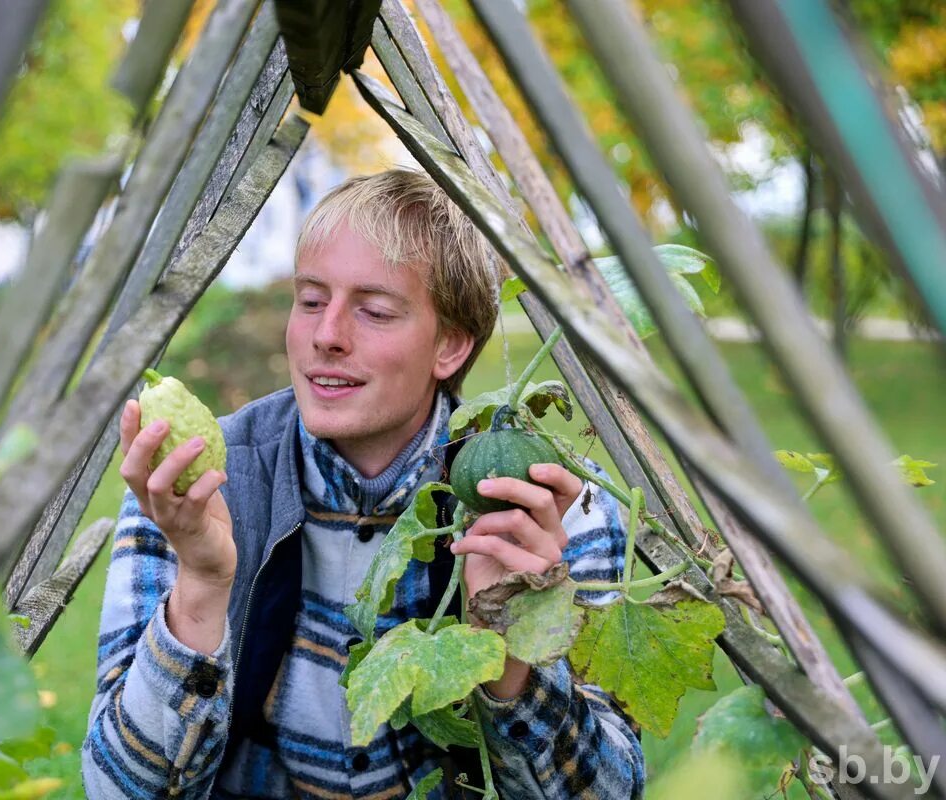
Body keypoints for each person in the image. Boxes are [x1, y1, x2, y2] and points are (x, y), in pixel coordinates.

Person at [82, 168, 646, 799]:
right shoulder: (191, 487)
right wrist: (202, 587)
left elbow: (611, 791)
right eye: (310, 300)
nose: (326, 336)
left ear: (450, 346)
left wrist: (512, 645)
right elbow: (117, 791)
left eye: (374, 311)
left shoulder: (549, 504)